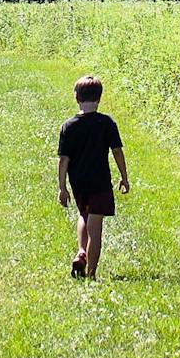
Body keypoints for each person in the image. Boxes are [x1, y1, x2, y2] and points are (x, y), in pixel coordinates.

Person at [56, 76, 124, 279]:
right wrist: (124, 177)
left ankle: (81, 251)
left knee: (83, 215)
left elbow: (63, 160)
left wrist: (62, 187)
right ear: (100, 98)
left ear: (76, 98)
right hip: (100, 181)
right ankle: (91, 274)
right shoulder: (106, 123)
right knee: (96, 228)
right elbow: (117, 151)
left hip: (78, 182)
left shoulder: (68, 126)